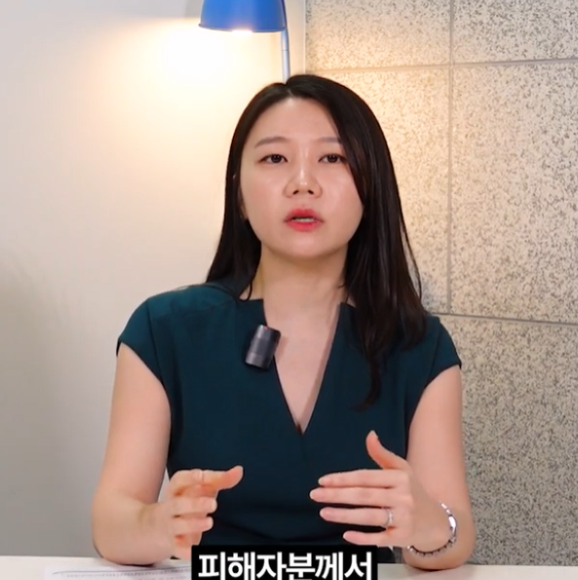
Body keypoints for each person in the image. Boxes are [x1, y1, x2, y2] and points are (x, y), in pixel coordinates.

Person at [91, 74, 475, 571]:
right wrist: (158, 525)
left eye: (332, 158)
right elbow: (111, 521)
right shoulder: (164, 331)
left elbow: (454, 535)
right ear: (239, 193)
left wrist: (428, 525)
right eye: (275, 158)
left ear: (371, 187)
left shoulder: (420, 347)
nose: (303, 182)